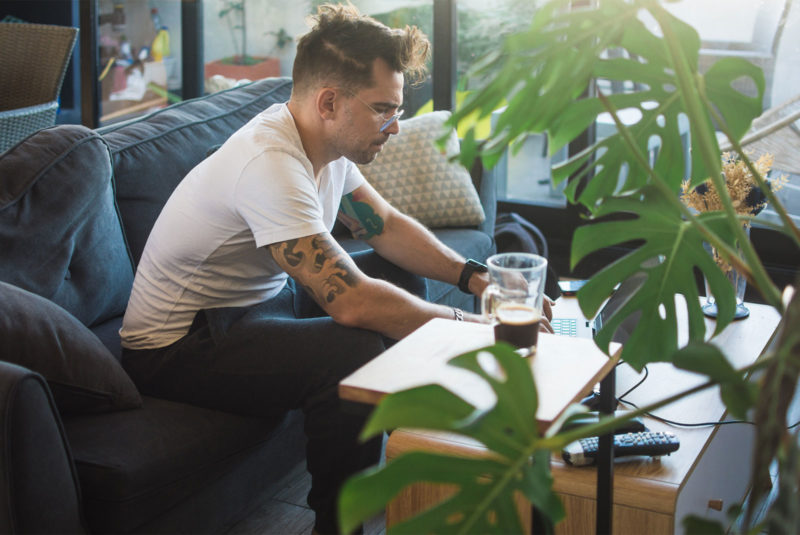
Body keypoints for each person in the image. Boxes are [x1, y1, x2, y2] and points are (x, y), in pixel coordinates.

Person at [119, 3, 550, 533]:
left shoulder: (327, 144)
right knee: (354, 347)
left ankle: (410, 429)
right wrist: (476, 328)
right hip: (178, 346)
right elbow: (351, 303)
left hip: (254, 302)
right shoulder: (269, 163)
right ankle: (338, 523)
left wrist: (476, 277)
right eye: (384, 109)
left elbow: (384, 226)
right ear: (329, 101)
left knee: (400, 279)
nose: (395, 126)